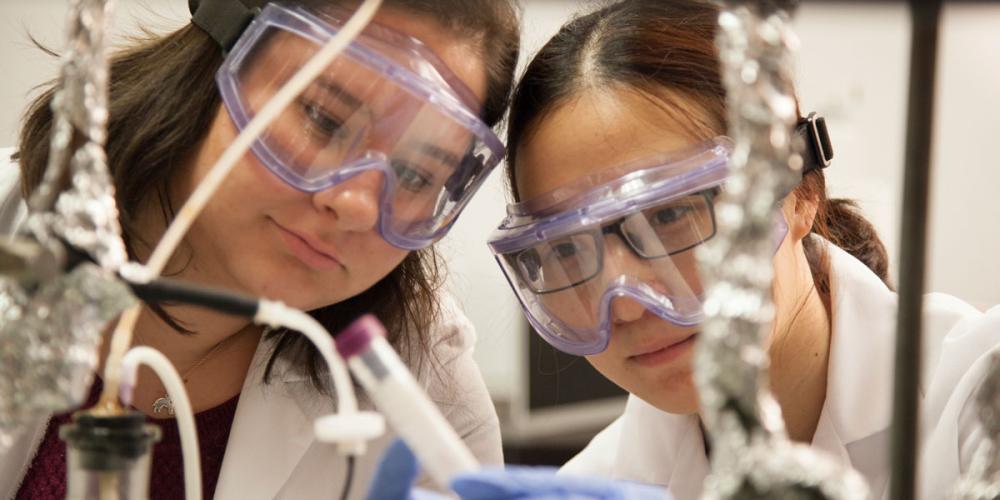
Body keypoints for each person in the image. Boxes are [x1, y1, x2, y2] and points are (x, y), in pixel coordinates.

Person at [0, 0, 519, 498]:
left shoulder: (422, 388)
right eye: (324, 118)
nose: (358, 204)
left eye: (413, 174)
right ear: (223, 52)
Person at [486, 1, 1000, 499]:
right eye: (568, 251)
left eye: (669, 216)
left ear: (801, 196)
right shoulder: (602, 481)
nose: (623, 304)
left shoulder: (975, 396)